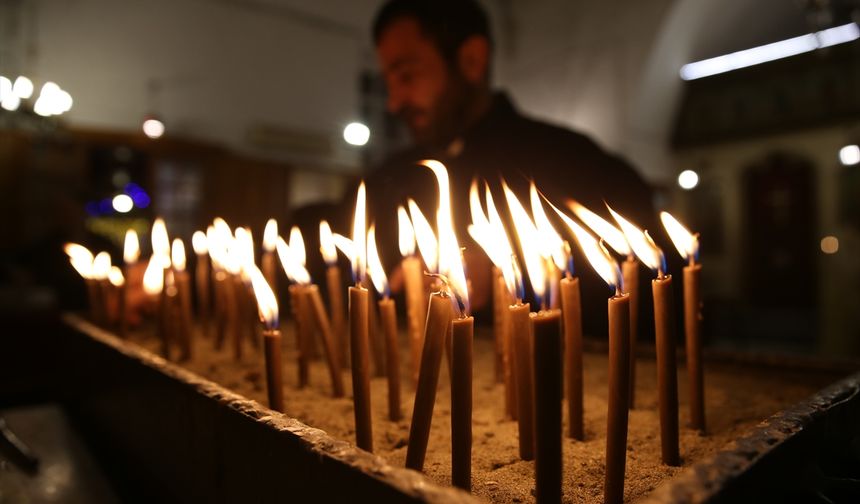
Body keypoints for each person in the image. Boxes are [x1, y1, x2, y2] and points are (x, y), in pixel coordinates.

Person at [349, 0, 656, 338]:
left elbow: (645, 278)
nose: (394, 102)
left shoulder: (571, 161)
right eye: (388, 82)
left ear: (471, 60)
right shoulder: (390, 176)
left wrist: (507, 273)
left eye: (407, 75)